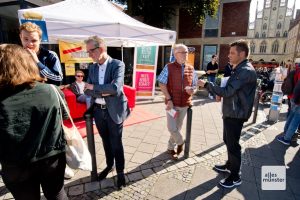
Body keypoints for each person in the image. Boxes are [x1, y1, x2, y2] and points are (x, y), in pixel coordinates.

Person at [0, 44, 68, 200]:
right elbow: (64, 117)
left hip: (15, 164)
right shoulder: (51, 90)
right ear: (27, 63)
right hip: (52, 158)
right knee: (57, 194)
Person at [198, 39, 257, 188]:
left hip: (236, 113)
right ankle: (229, 165)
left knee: (233, 145)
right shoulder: (240, 68)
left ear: (242, 54)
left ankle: (235, 176)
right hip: (232, 111)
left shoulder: (245, 70)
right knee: (228, 140)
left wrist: (206, 84)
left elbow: (228, 91)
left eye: (232, 53)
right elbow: (231, 89)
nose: (229, 56)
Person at [84, 36, 130, 189]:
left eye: (91, 51)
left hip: (114, 110)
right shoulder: (92, 67)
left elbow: (115, 89)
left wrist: (95, 88)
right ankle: (110, 164)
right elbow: (86, 90)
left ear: (101, 49)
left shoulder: (117, 64)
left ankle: (121, 172)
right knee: (105, 141)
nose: (89, 54)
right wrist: (102, 91)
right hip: (98, 111)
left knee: (116, 142)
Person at [157, 44, 198, 160]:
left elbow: (195, 86)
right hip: (172, 104)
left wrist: (192, 91)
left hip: (184, 104)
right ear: (175, 54)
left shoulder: (191, 68)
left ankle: (171, 147)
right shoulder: (168, 67)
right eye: (182, 52)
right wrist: (168, 99)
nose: (185, 54)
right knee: (172, 128)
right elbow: (161, 82)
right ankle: (181, 143)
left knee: (177, 128)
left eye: (186, 52)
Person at [277, 67, 300, 145]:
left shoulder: (296, 69)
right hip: (297, 99)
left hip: (293, 97)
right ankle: (287, 138)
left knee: (291, 116)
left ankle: (286, 133)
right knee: (295, 120)